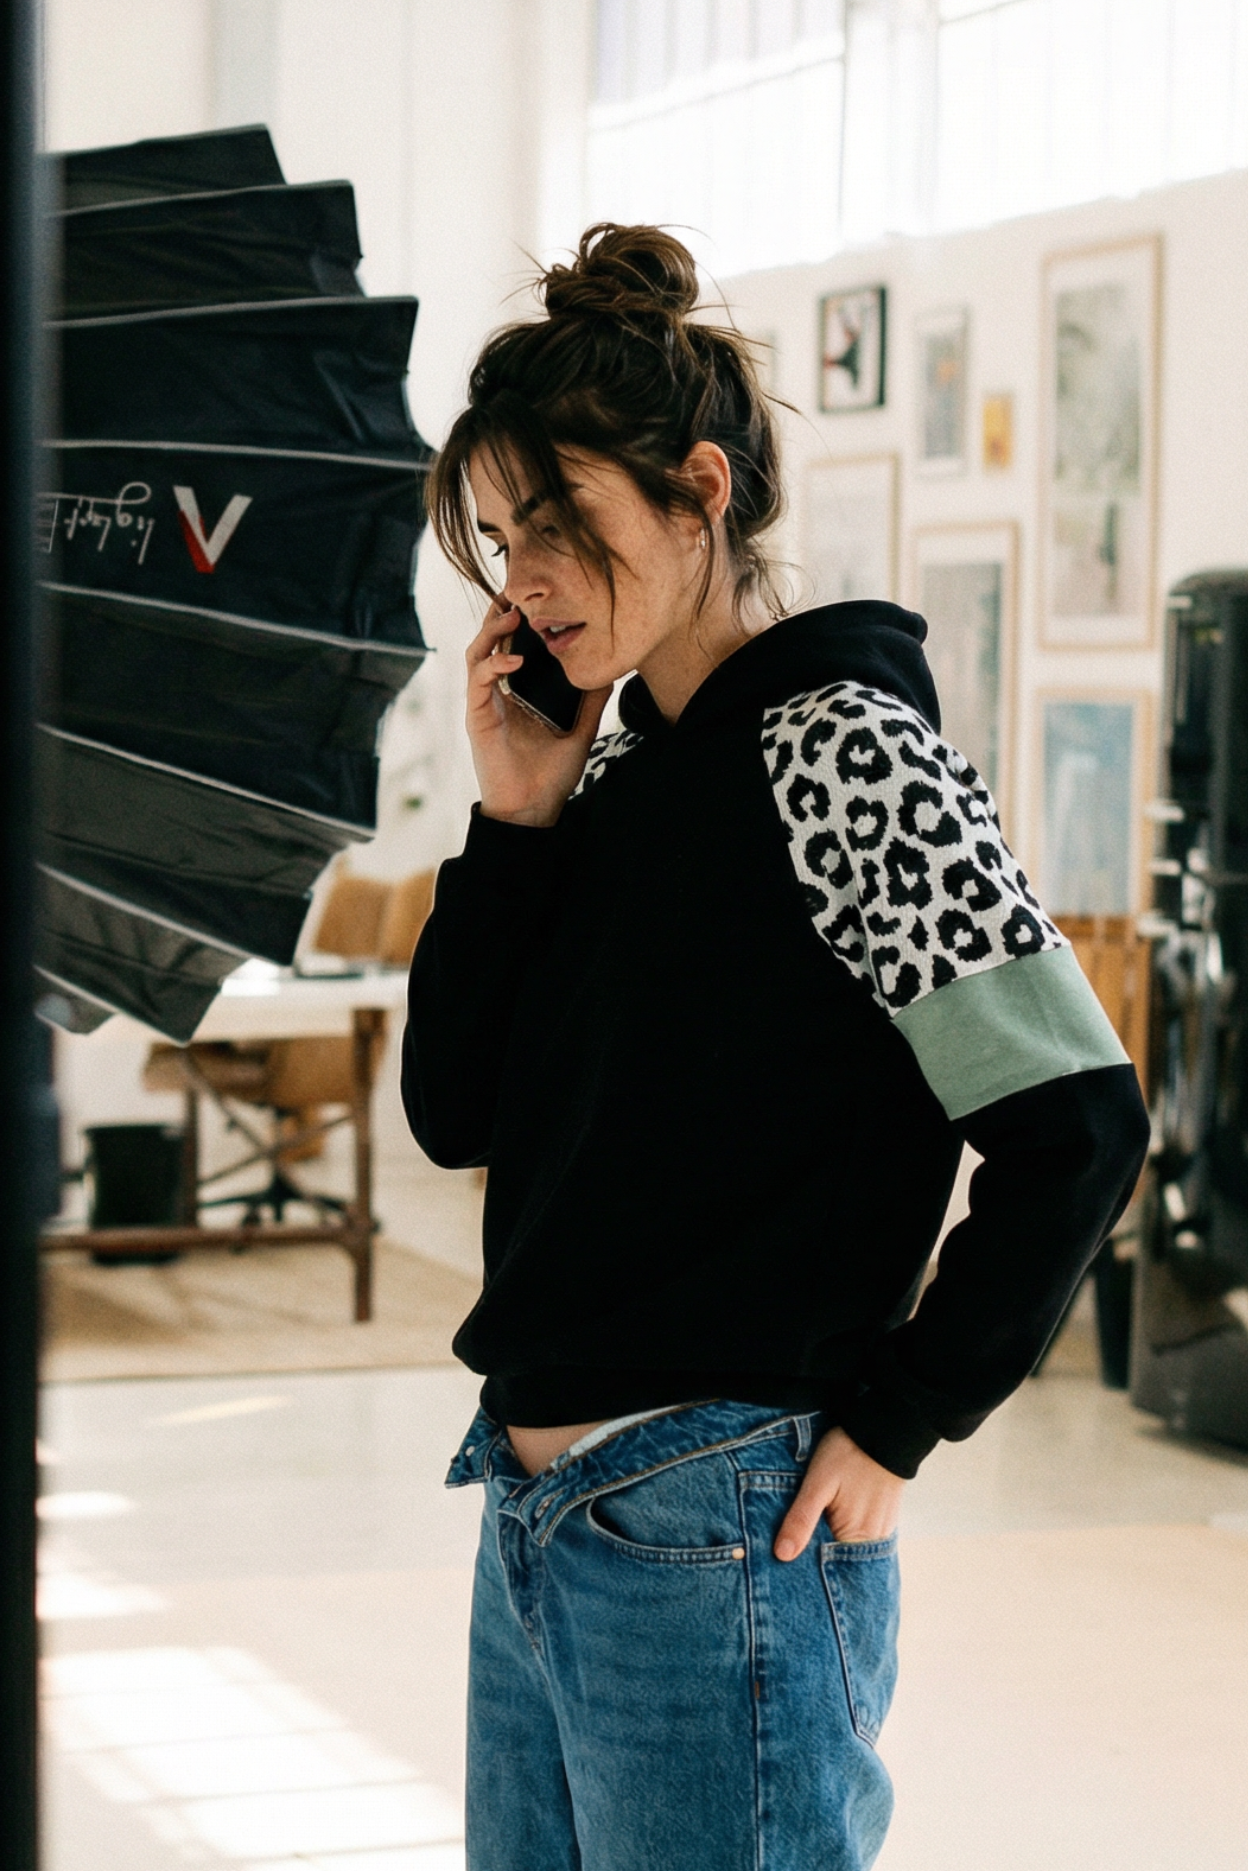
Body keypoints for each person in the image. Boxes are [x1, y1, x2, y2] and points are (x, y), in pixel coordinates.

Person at [402, 224, 1149, 1871]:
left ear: (702, 494)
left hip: (716, 1515)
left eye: (564, 526)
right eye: (505, 537)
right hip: (539, 1516)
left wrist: (905, 1417)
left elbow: (1079, 1121)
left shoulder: (844, 751)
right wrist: (511, 821)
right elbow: (455, 1115)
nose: (522, 581)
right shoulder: (596, 773)